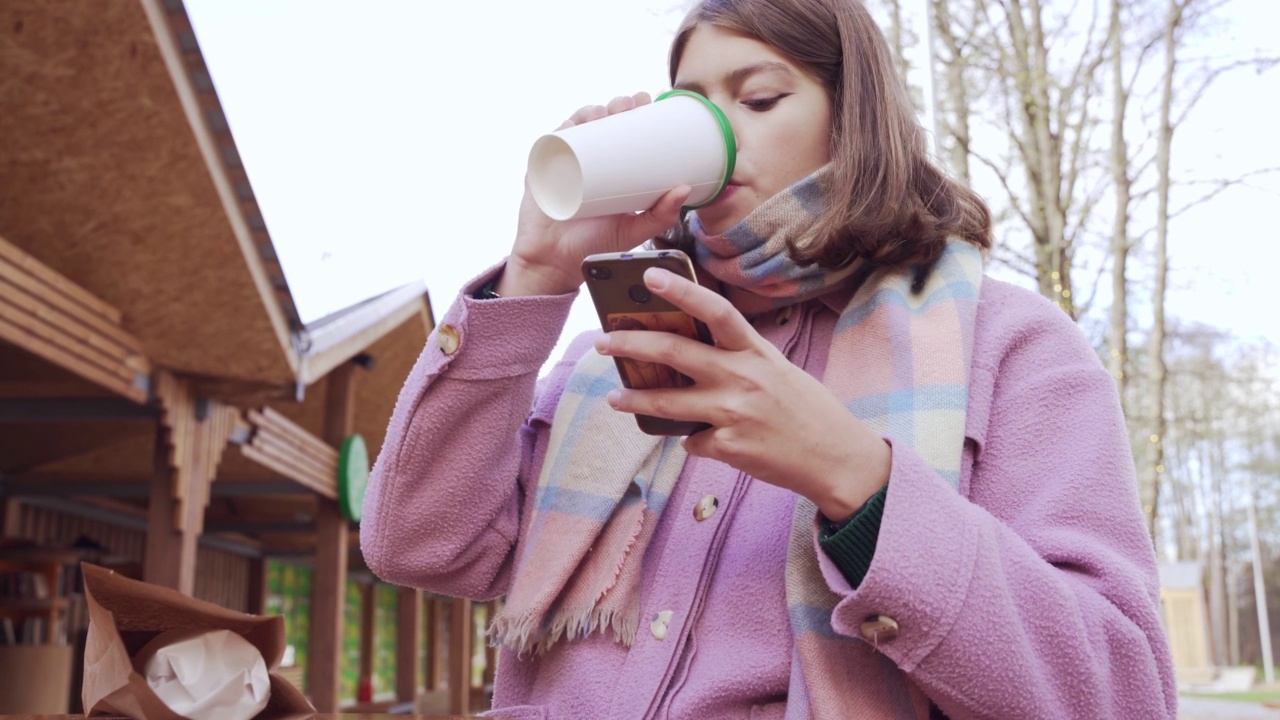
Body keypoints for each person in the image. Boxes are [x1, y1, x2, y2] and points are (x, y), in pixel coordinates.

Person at [360, 0, 1177, 717]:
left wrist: (861, 481)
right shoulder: (615, 352)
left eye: (757, 98)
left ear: (852, 116)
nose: (715, 133)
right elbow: (419, 547)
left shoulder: (1009, 347)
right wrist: (537, 274)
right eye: (688, 108)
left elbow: (1121, 693)